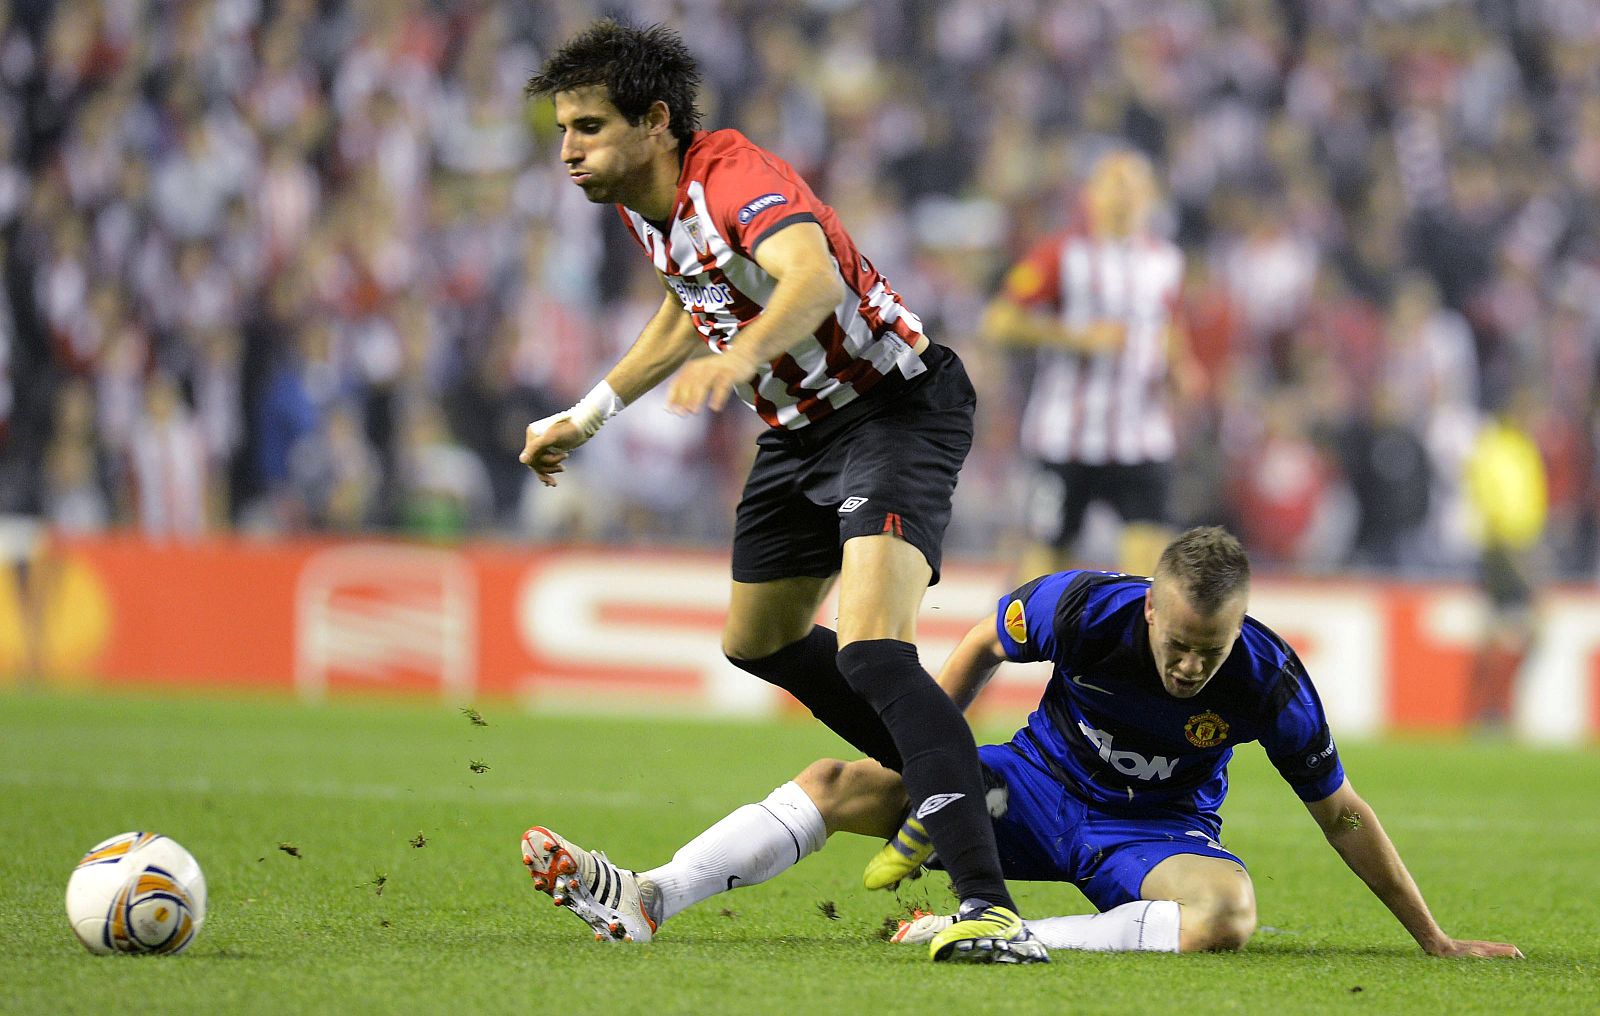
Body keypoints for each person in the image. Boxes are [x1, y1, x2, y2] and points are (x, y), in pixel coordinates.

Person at [517, 20, 1042, 963]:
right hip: (801, 432)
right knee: (757, 640)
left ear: (656, 122)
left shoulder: (732, 177)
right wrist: (588, 415)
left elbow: (815, 278)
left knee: (875, 651)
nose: (569, 151)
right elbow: (690, 304)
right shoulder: (647, 205)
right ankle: (953, 784)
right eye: (563, 130)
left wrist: (743, 358)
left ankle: (989, 906)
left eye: (588, 127)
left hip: (894, 409)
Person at [522, 527, 1522, 960]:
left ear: (1238, 630)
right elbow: (970, 646)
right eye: (1176, 642)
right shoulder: (1083, 606)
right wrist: (932, 769)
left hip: (1150, 835)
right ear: (1150, 604)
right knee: (835, 780)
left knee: (1227, 913)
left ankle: (1003, 931)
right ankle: (650, 896)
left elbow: (1341, 813)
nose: (1188, 665)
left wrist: (1431, 937)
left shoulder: (1269, 677)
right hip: (1027, 789)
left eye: (1207, 651)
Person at [982, 150, 1201, 578]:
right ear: (1091, 195)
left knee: (1150, 565)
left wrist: (1181, 367)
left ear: (1150, 197)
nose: (1124, 197)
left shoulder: (1167, 261)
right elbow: (999, 321)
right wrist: (1074, 336)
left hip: (1140, 436)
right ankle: (1021, 624)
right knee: (1046, 562)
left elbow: (1169, 324)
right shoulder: (1061, 254)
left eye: (1133, 187)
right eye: (1114, 185)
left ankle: (1133, 626)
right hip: (1066, 436)